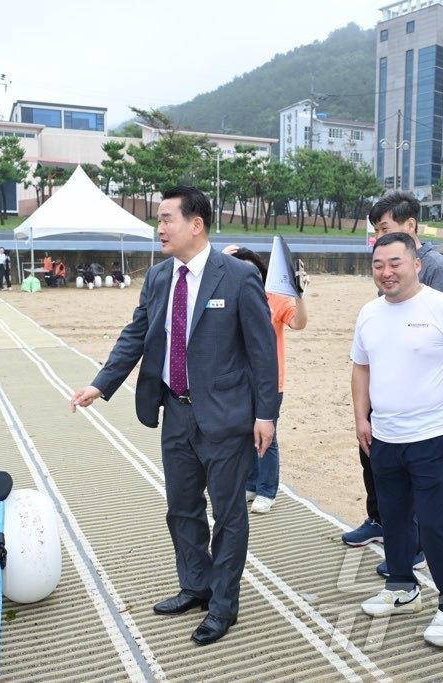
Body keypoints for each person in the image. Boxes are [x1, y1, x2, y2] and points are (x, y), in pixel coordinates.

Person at [70, 186, 278, 646]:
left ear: (196, 224)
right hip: (175, 413)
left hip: (226, 419)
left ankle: (223, 605)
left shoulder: (239, 276)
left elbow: (264, 353)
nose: (158, 228)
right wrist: (100, 384)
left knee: (228, 516)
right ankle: (196, 586)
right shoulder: (160, 276)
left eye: (166, 219)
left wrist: (267, 414)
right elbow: (136, 334)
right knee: (182, 509)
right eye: (158, 220)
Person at [354, 232, 443, 649]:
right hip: (384, 438)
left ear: (417, 263)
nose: (386, 272)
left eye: (395, 263)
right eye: (379, 265)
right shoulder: (369, 313)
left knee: (434, 525)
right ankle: (401, 586)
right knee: (393, 519)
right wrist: (361, 417)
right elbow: (360, 367)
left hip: (432, 438)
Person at [343, 191, 443, 577]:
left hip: (419, 402)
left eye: (385, 228)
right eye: (376, 231)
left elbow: (433, 333)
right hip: (382, 386)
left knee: (422, 485)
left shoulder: (435, 267)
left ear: (411, 227)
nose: (379, 237)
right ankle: (382, 524)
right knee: (374, 459)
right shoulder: (382, 278)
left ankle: (417, 548)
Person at [222, 245, 309, 514]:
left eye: (252, 270)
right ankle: (251, 483)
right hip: (237, 379)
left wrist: (300, 295)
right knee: (244, 434)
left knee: (267, 435)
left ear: (261, 272)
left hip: (269, 381)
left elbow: (298, 323)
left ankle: (267, 490)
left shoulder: (275, 297)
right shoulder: (227, 296)